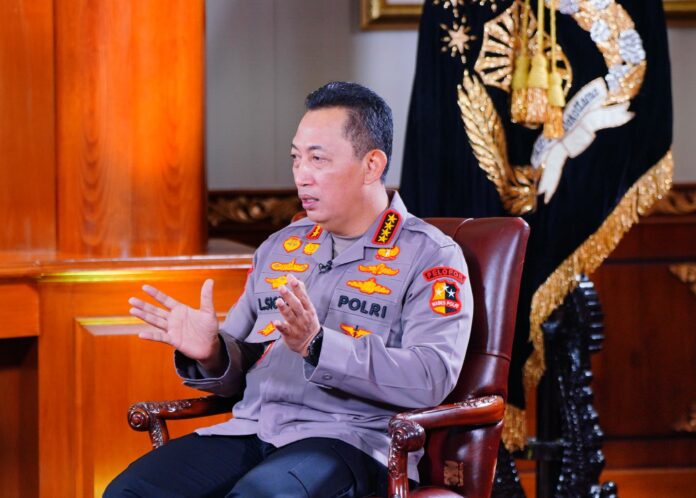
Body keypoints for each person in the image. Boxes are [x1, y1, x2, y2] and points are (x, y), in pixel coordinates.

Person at [105, 81, 473, 497]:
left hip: (348, 440)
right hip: (254, 428)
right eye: (296, 158)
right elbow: (241, 363)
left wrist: (319, 346)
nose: (301, 175)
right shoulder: (280, 246)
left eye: (318, 159)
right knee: (129, 491)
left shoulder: (430, 255)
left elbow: (431, 376)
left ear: (372, 165)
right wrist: (212, 353)